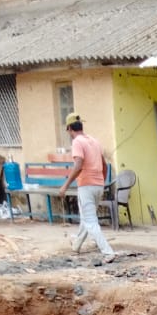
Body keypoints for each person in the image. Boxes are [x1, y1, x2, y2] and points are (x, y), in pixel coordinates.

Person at [59, 112, 115, 263]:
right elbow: (104, 165)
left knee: (90, 220)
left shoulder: (77, 142)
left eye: (68, 130)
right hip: (98, 185)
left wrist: (65, 186)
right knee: (86, 218)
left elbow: (78, 165)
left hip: (86, 185)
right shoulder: (94, 141)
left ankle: (108, 252)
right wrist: (101, 181)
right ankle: (76, 245)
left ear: (69, 128)